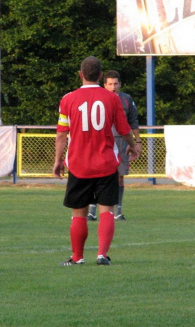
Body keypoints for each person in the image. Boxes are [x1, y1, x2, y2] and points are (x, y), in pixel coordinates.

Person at [53, 56, 138, 266]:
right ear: (101, 76)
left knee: (79, 213)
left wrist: (57, 160)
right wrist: (133, 144)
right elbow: (123, 128)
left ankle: (77, 257)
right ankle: (102, 255)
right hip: (106, 162)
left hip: (78, 164)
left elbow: (62, 133)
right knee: (106, 210)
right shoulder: (111, 98)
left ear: (81, 75)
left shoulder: (68, 99)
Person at [87, 70, 141, 221]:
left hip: (121, 141)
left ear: (120, 84)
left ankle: (118, 211)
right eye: (110, 84)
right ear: (104, 85)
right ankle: (92, 210)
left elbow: (133, 121)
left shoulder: (126, 99)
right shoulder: (97, 98)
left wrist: (137, 142)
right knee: (95, 176)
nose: (113, 87)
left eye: (115, 84)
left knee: (119, 177)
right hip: (101, 140)